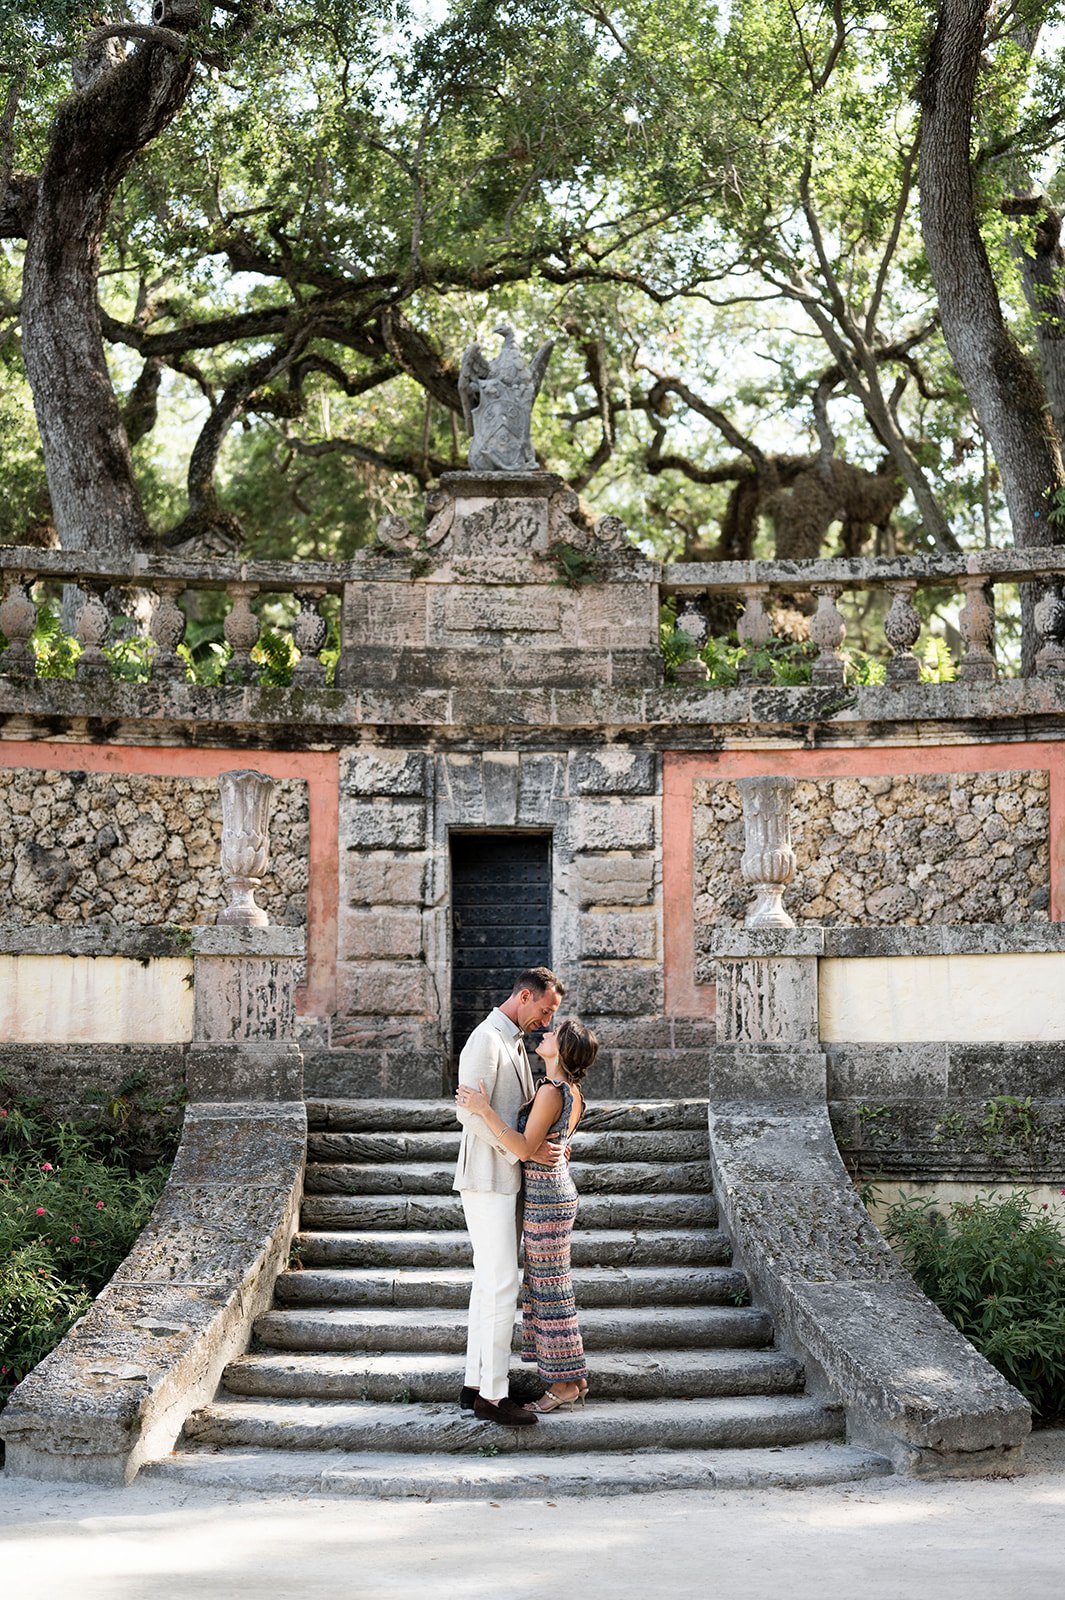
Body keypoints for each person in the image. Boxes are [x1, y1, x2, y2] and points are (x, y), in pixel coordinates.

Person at [456, 1015, 598, 1414]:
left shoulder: (553, 1091)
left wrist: (483, 1109)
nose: (545, 1033)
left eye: (554, 1034)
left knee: (549, 1291)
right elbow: (552, 1143)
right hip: (553, 1191)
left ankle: (565, 1384)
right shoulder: (569, 1090)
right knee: (549, 1288)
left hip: (546, 1199)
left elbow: (522, 1145)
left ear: (563, 1050)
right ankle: (572, 1377)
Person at [452, 966, 564, 1428]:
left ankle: (477, 1381)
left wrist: (532, 1145)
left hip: (504, 1176)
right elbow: (469, 1114)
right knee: (501, 1284)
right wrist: (523, 1148)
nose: (548, 1020)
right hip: (487, 1176)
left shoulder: (512, 1038)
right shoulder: (485, 1037)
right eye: (545, 1009)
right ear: (524, 996)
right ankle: (494, 1397)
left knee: (489, 1283)